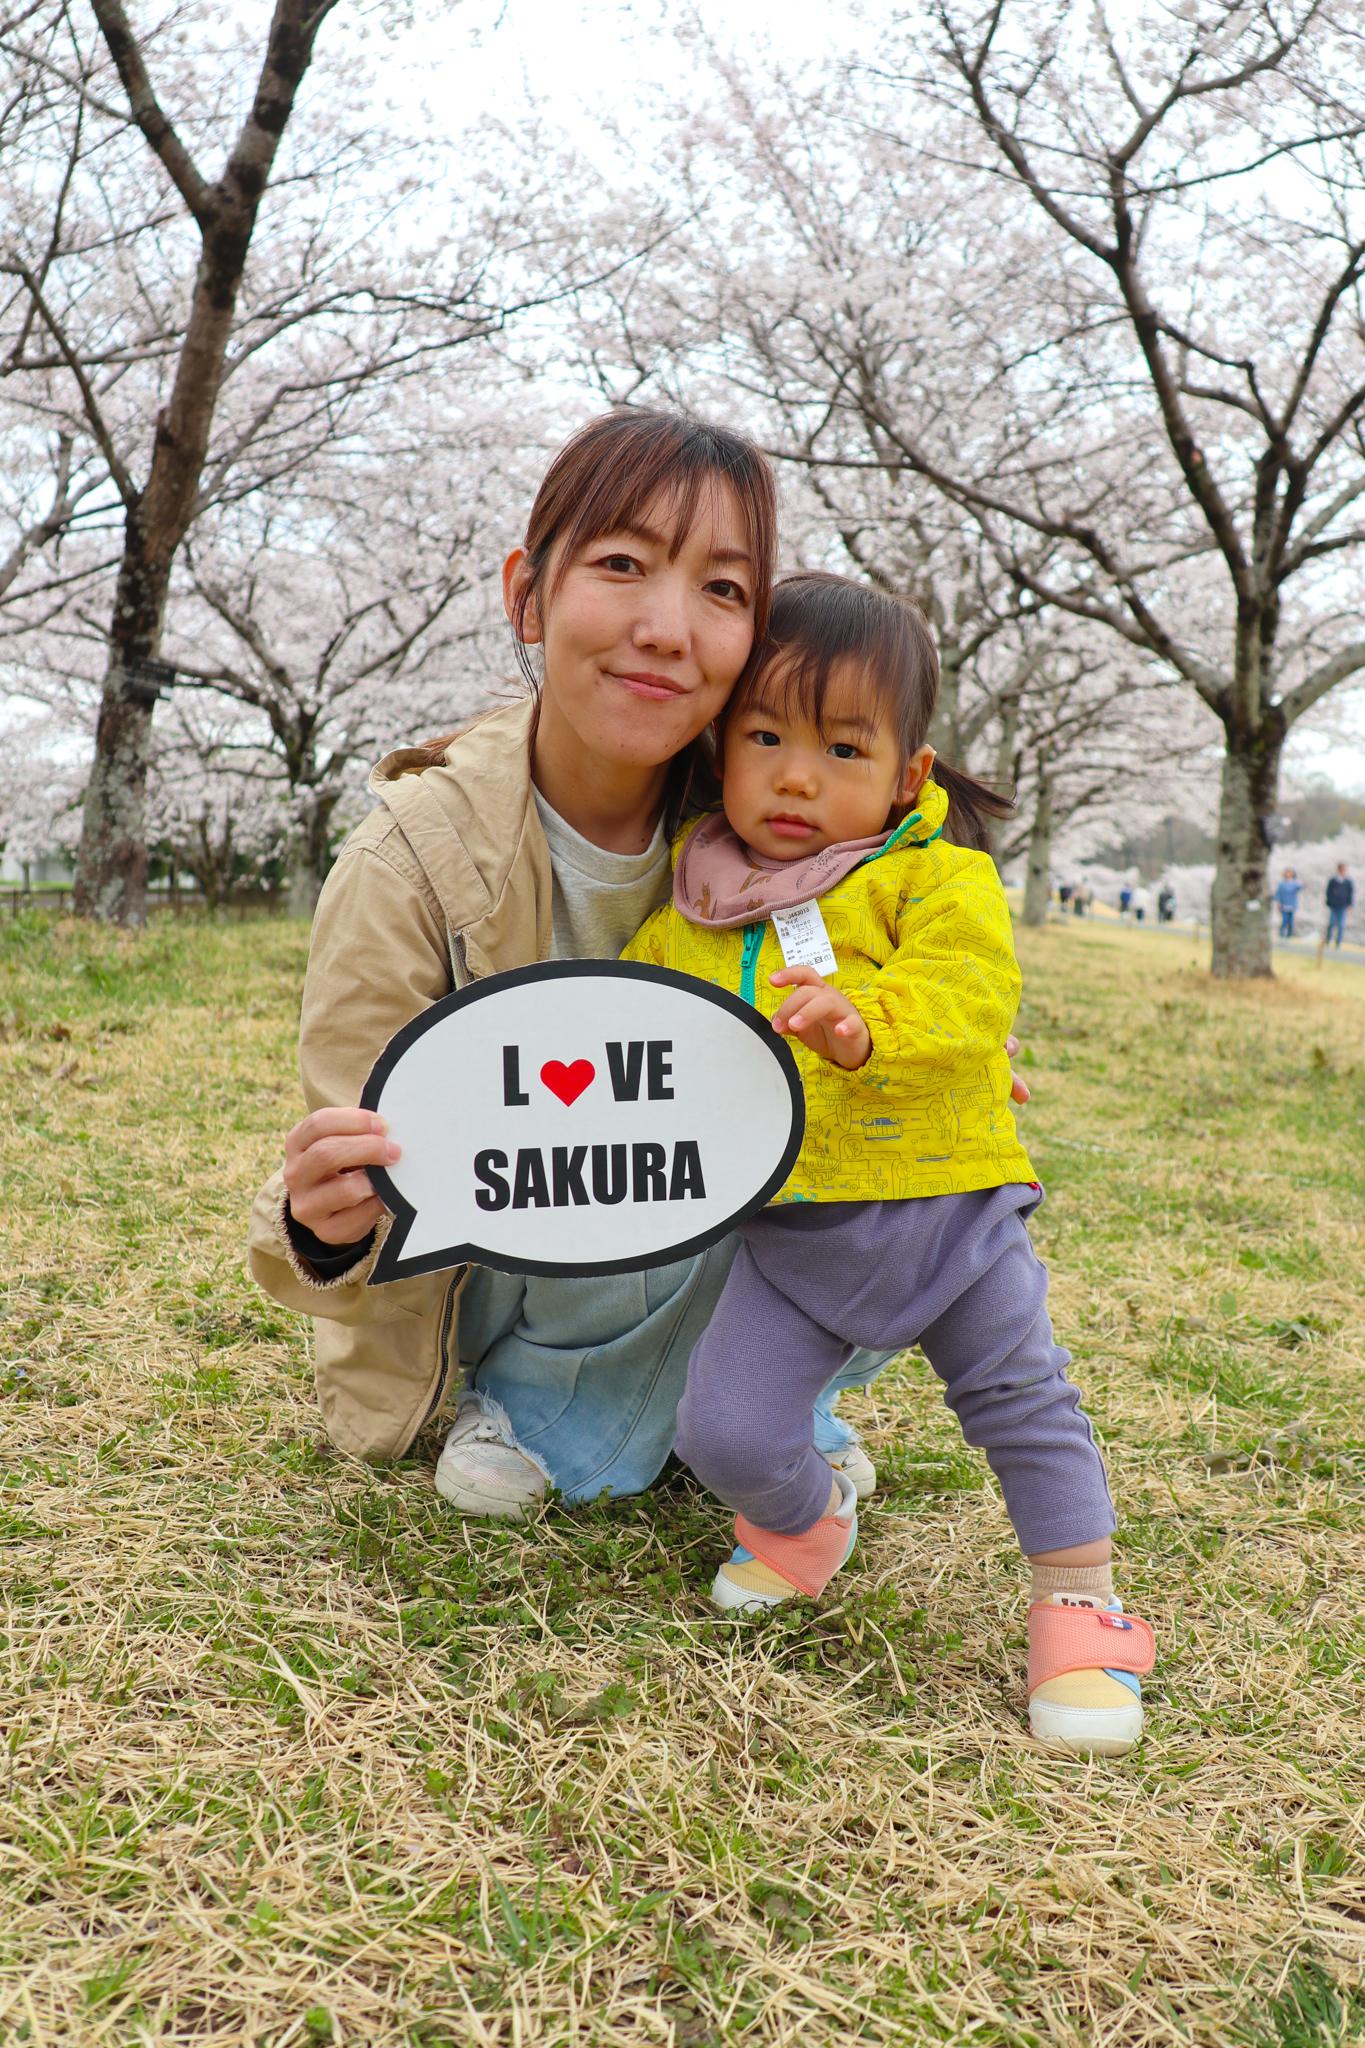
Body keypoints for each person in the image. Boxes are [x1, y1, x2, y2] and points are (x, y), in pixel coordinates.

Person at [247, 409, 1028, 1521]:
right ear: (529, 593)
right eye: (622, 565)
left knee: (873, 1176)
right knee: (650, 1140)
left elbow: (910, 970)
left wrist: (919, 1064)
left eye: (722, 589)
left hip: (747, 1233)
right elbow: (363, 1175)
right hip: (524, 1278)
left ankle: (765, 1411)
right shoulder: (410, 861)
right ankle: (543, 1406)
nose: (668, 627)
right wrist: (325, 1224)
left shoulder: (773, 831)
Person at [624, 574, 1154, 1757]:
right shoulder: (689, 911)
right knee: (722, 1427)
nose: (798, 775)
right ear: (720, 748)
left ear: (908, 773)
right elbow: (638, 1034)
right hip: (794, 1234)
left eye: (842, 744)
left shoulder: (938, 875)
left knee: (1023, 1404)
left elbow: (972, 985)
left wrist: (867, 1022)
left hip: (954, 1216)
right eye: (766, 737)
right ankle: (805, 1524)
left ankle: (1082, 1610)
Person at [1325, 862, 1354, 947]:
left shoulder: (1348, 881)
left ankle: (1338, 943)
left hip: (1343, 906)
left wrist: (1350, 904)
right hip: (1333, 906)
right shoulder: (1333, 880)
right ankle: (1328, 940)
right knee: (1331, 924)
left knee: (1341, 925)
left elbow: (1350, 893)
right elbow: (1328, 892)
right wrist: (1329, 902)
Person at [1275, 868, 1302, 939]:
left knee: (1291, 922)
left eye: (1290, 873)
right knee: (1284, 921)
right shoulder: (1282, 884)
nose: (1289, 874)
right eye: (1287, 873)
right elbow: (1278, 894)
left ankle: (1289, 936)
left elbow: (1300, 887)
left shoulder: (1295, 883)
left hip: (1292, 905)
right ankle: (1281, 935)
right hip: (1284, 905)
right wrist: (1278, 903)